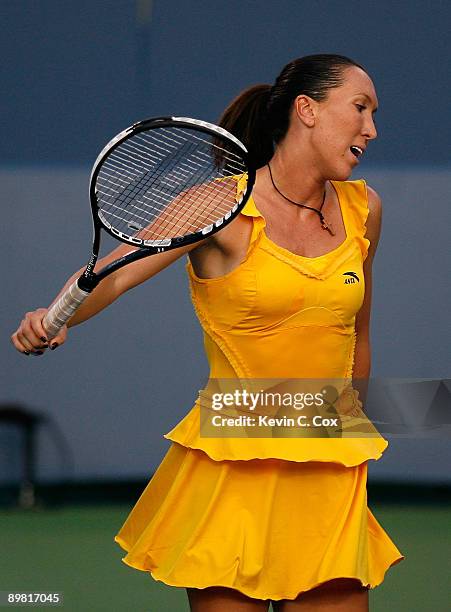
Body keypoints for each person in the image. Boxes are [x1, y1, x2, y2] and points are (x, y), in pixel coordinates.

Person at [11, 54, 404, 611]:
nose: (372, 128)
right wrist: (55, 316)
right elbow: (114, 276)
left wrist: (350, 438)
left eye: (374, 113)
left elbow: (358, 334)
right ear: (307, 110)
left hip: (325, 466)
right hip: (232, 462)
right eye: (360, 108)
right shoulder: (221, 204)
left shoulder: (365, 210)